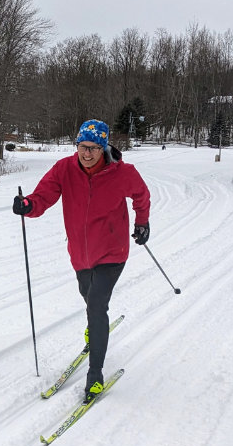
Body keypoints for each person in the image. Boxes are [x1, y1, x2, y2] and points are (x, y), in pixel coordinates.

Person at [13, 119, 150, 400]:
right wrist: (28, 205)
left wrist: (142, 223)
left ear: (104, 148)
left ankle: (95, 374)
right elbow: (44, 196)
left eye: (93, 149)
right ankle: (95, 329)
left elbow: (141, 195)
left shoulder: (122, 173)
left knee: (97, 305)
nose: (87, 154)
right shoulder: (64, 169)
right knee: (89, 298)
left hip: (113, 251)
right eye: (82, 147)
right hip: (80, 252)